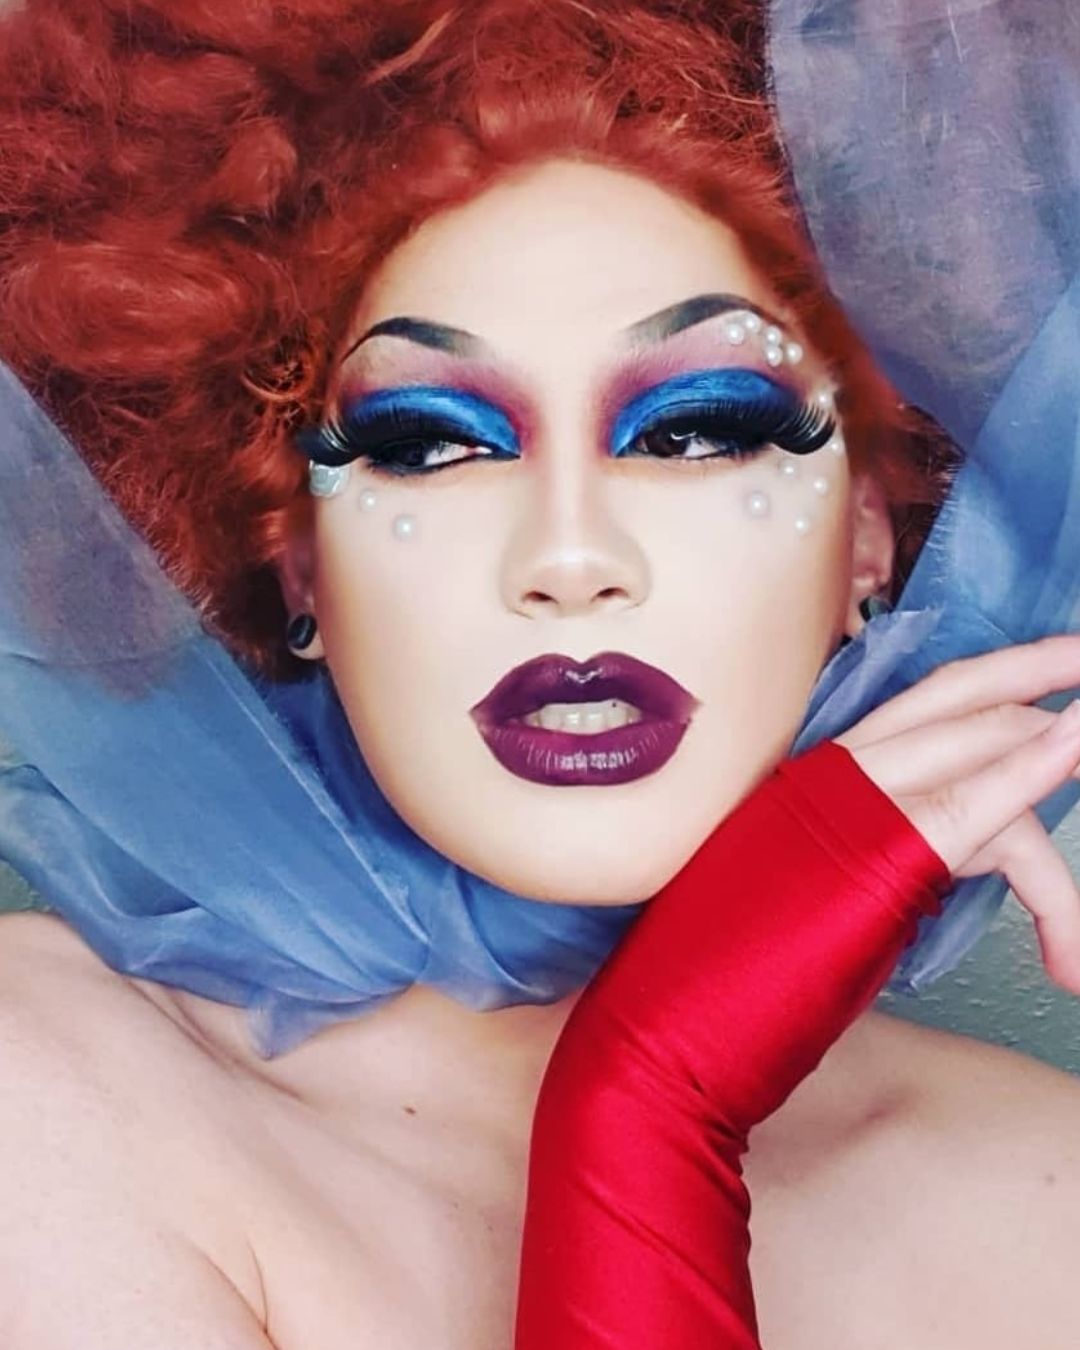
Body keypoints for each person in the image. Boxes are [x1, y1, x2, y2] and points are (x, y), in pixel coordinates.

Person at [0, 2, 1078, 1347]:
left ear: (871, 534)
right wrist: (651, 1105)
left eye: (696, 431)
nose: (569, 559)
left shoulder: (1047, 1199)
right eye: (428, 445)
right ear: (297, 567)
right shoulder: (48, 1095)